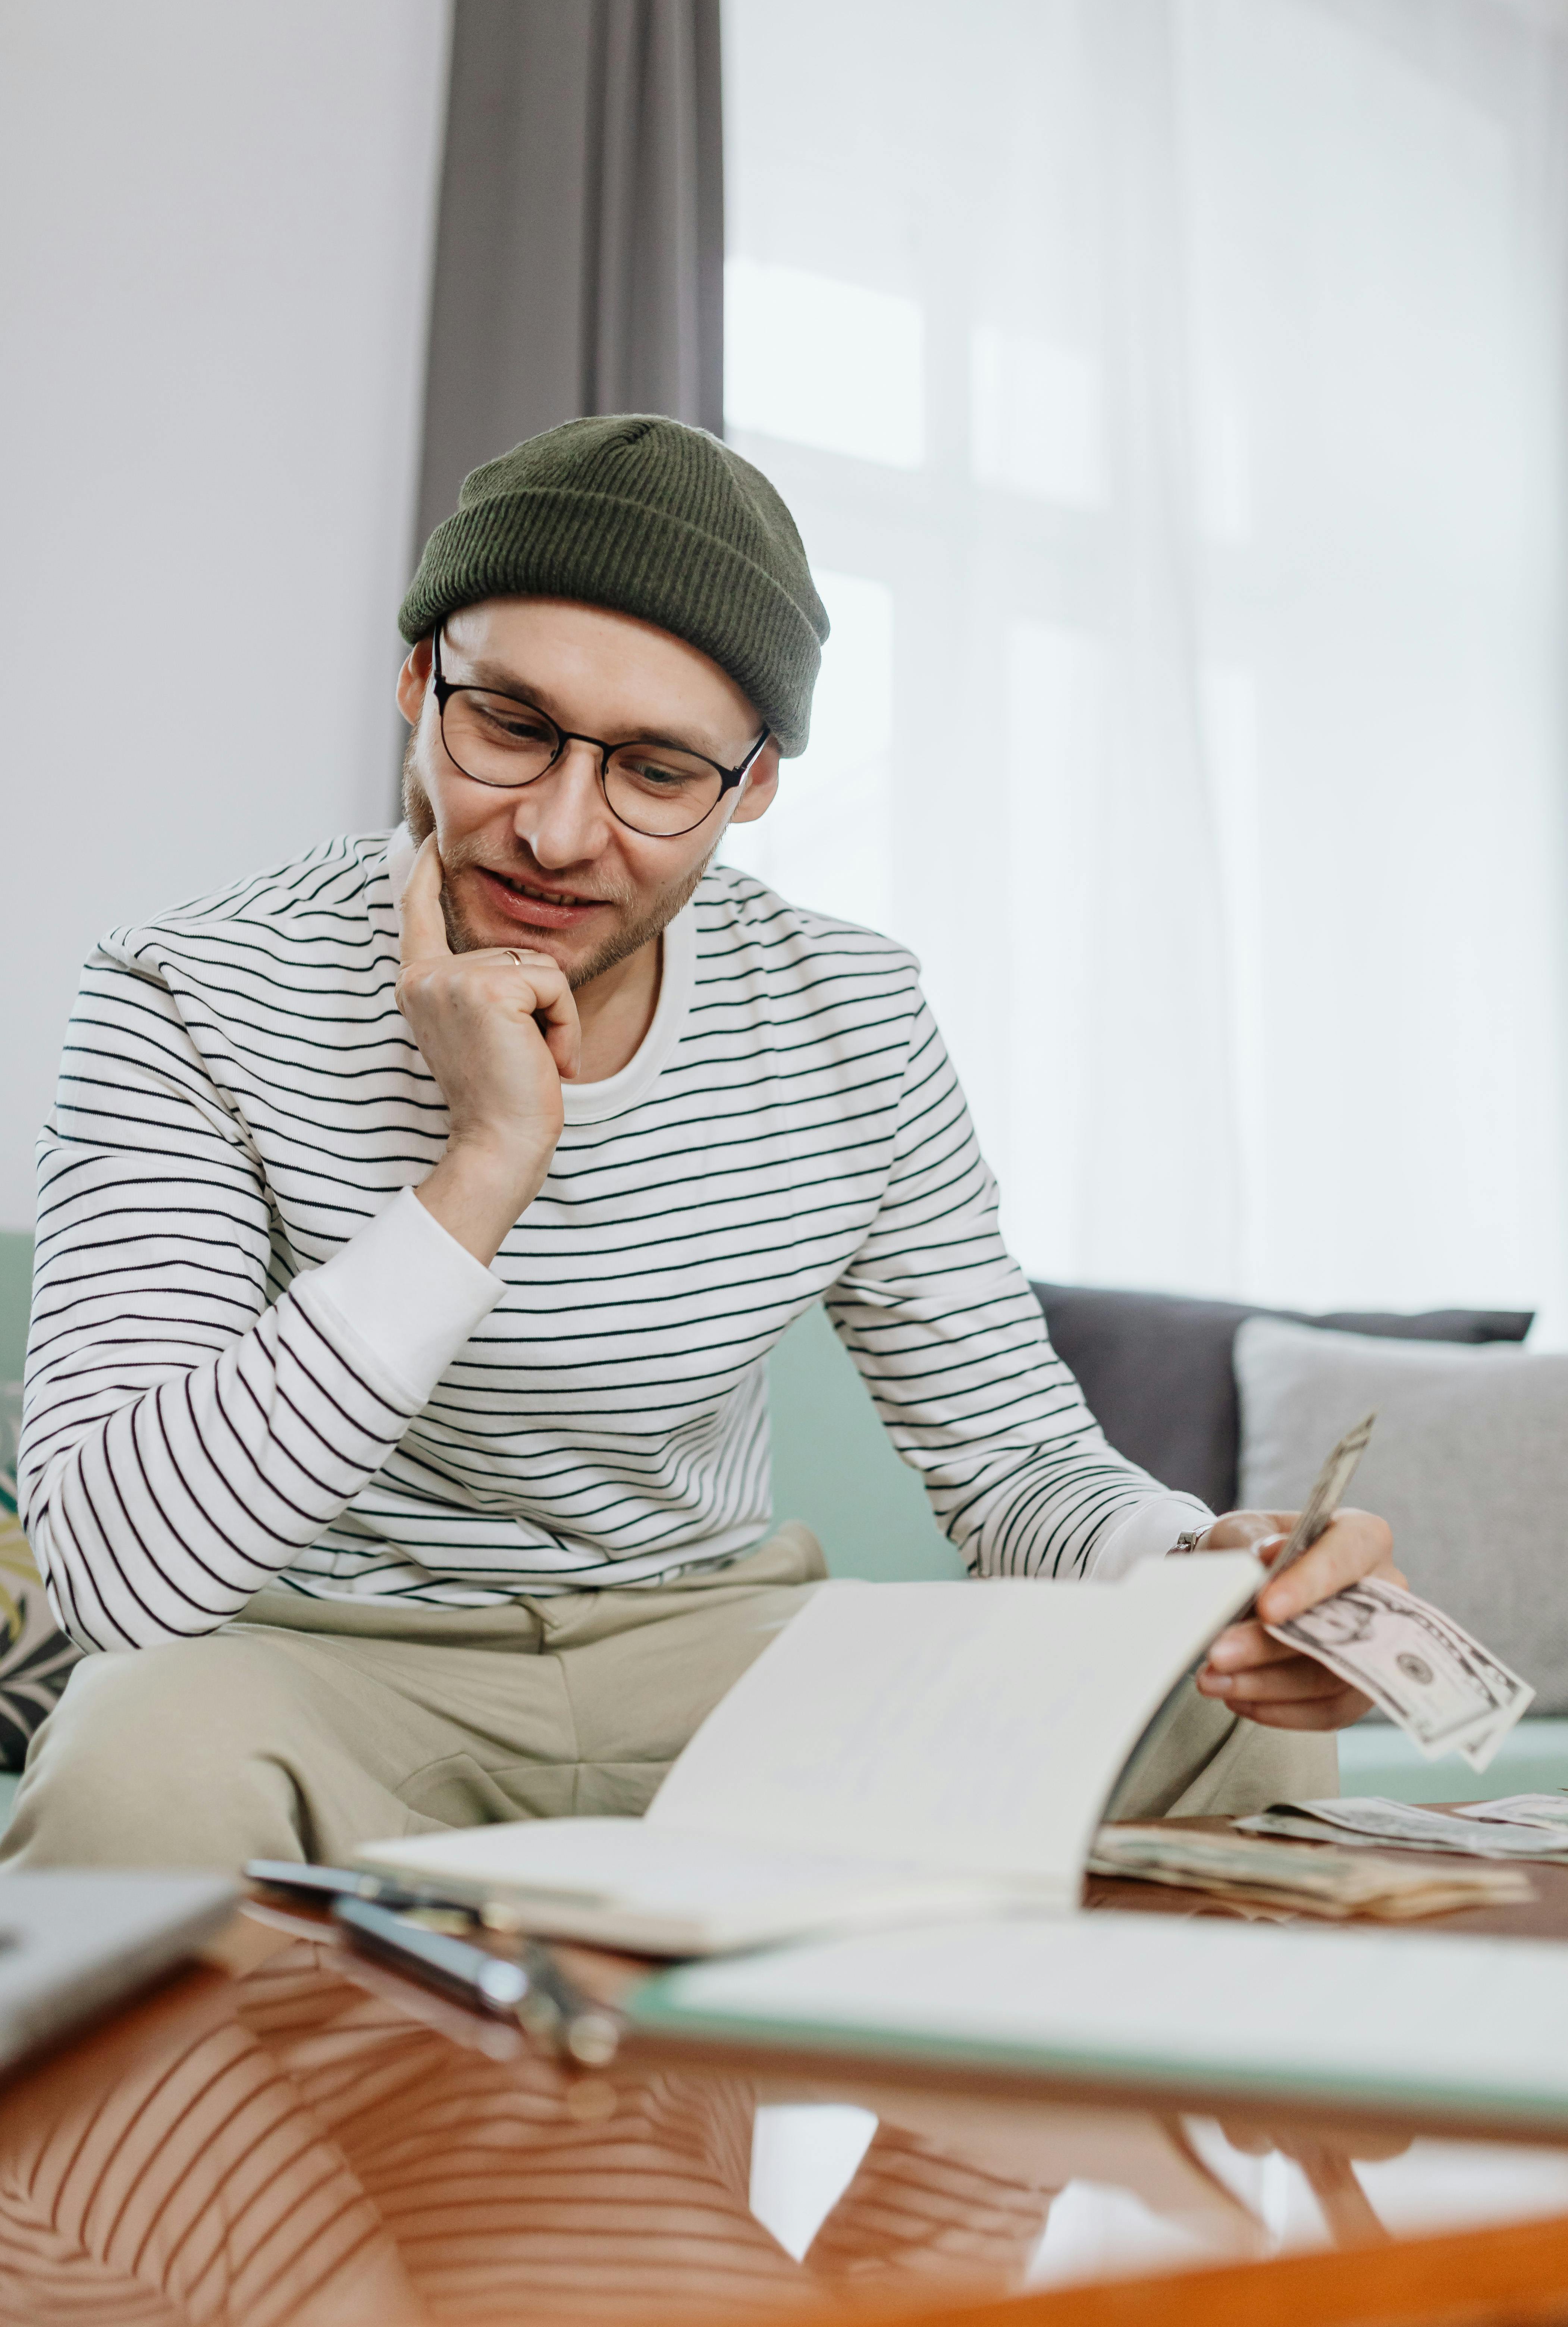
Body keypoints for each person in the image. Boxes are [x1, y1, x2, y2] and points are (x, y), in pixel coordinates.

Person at [6, 416, 1395, 1870]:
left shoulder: (848, 1012)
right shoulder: (189, 989)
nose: (553, 831)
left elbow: (1014, 1463)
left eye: (657, 772)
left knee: (1236, 1702)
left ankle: (1020, 2090)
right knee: (133, 1773)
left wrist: (1197, 1573)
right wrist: (481, 1161)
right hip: (332, 1668)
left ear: (755, 785)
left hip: (721, 1660)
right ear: (416, 680)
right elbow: (117, 1578)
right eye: (510, 724)